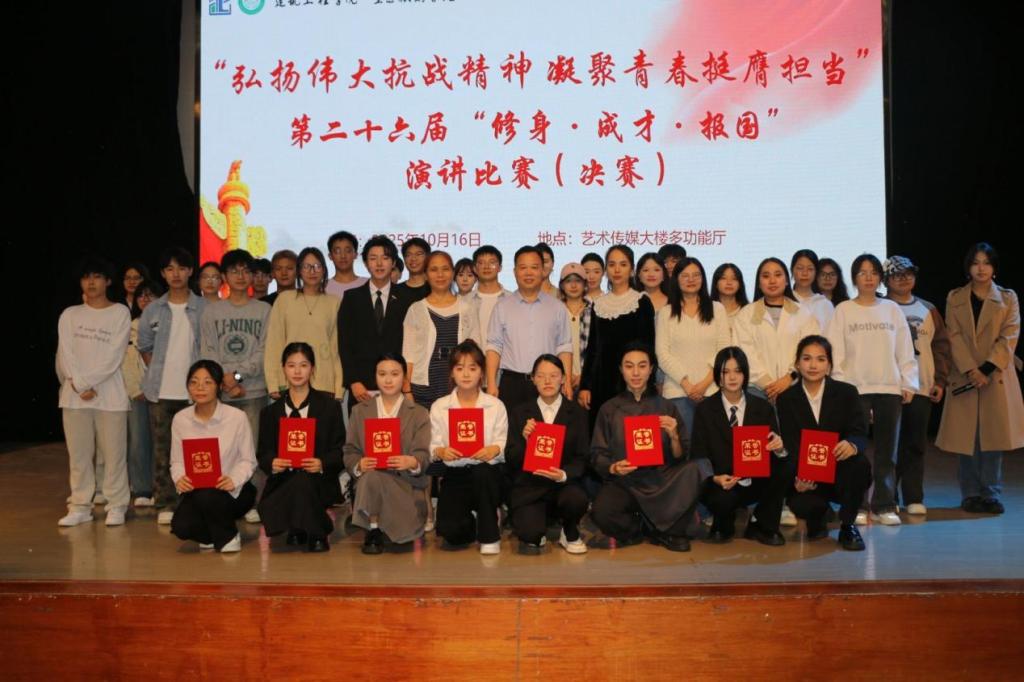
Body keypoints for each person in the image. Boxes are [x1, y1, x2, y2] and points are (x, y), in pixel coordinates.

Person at [589, 342, 707, 552]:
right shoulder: (609, 409)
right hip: (626, 482)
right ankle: (648, 529)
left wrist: (674, 436)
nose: (636, 373)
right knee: (602, 512)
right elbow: (597, 454)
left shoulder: (666, 406)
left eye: (642, 366)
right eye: (629, 366)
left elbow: (681, 457)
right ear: (621, 370)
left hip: (662, 479)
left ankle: (667, 530)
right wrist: (614, 467)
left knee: (696, 469)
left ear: (651, 369)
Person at [827, 253, 917, 526]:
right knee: (855, 451)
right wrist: (840, 386)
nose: (868, 277)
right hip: (855, 390)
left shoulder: (891, 309)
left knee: (887, 452)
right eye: (862, 272)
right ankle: (857, 505)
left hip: (889, 388)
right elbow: (835, 351)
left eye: (873, 272)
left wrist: (908, 381)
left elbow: (904, 348)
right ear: (854, 278)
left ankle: (884, 504)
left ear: (880, 278)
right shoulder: (843, 310)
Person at [936, 242, 1024, 514]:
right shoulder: (955, 297)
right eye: (976, 263)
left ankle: (991, 494)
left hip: (995, 375)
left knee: (993, 439)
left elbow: (1009, 335)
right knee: (967, 439)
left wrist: (986, 369)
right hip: (965, 375)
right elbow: (953, 334)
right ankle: (971, 494)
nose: (981, 268)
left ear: (994, 267)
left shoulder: (1008, 298)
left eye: (986, 262)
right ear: (968, 267)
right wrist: (971, 370)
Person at [56, 255, 132, 527]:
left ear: (108, 281)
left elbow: (114, 356)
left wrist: (87, 383)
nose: (91, 282)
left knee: (114, 456)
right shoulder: (70, 314)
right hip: (74, 397)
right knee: (79, 456)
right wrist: (79, 384)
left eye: (97, 277)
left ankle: (116, 504)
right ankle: (80, 505)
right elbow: (65, 353)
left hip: (109, 397)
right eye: (86, 277)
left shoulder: (120, 313)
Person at [777, 336, 871, 551]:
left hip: (840, 470)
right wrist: (798, 478)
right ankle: (819, 514)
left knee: (860, 464)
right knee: (802, 505)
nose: (813, 365)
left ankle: (848, 526)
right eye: (807, 358)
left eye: (820, 359)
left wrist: (851, 444)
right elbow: (790, 443)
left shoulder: (847, 393)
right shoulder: (786, 399)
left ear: (829, 365)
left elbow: (859, 432)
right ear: (797, 363)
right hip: (808, 477)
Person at [692, 347, 794, 545]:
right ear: (718, 376)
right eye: (725, 371)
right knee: (721, 500)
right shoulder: (705, 409)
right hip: (722, 482)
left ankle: (762, 524)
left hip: (755, 480)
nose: (732, 377)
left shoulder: (763, 407)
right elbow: (698, 453)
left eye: (738, 371)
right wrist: (715, 478)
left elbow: (776, 448)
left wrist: (779, 448)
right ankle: (723, 523)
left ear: (745, 374)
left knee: (785, 464)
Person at [137, 247, 207, 525]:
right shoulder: (153, 309)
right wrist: (159, 370)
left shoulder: (204, 307)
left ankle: (197, 501)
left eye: (181, 268)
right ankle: (166, 502)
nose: (175, 274)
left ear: (190, 271)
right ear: (163, 274)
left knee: (198, 450)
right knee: (163, 451)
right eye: (169, 269)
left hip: (197, 394)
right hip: (162, 393)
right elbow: (144, 346)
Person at [257, 343, 346, 552]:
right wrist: (273, 462)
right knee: (295, 482)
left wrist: (321, 463)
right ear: (283, 368)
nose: (297, 371)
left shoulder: (329, 407)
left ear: (312, 368)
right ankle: (305, 525)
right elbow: (263, 453)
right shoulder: (270, 412)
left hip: (319, 479)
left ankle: (314, 531)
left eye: (303, 365)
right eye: (291, 365)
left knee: (303, 481)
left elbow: (340, 449)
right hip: (283, 478)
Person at [884, 255, 952, 515]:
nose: (904, 279)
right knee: (889, 446)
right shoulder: (881, 308)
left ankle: (913, 497)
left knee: (915, 444)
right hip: (889, 388)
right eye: (897, 275)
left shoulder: (928, 309)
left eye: (909, 274)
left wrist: (940, 380)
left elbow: (941, 347)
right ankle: (887, 497)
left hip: (922, 386)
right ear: (887, 280)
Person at [343, 354, 431, 553]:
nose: (388, 380)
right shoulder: (360, 411)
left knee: (375, 480)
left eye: (394, 374)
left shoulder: (419, 413)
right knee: (372, 476)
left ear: (405, 378)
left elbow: (424, 456)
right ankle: (373, 529)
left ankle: (380, 525)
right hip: (371, 482)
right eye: (382, 374)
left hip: (405, 486)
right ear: (375, 377)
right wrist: (359, 464)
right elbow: (350, 451)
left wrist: (412, 462)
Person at [505, 355, 590, 555]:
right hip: (531, 487)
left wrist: (563, 474)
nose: (547, 381)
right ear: (533, 379)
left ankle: (569, 530)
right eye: (541, 376)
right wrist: (526, 441)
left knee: (576, 498)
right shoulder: (520, 412)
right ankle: (538, 526)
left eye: (553, 375)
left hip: (564, 487)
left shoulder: (577, 413)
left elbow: (583, 457)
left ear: (563, 379)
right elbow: (511, 457)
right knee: (530, 536)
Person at [170, 360, 257, 552]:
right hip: (198, 490)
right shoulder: (180, 419)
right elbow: (176, 461)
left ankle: (229, 536)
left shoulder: (236, 417)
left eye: (207, 382)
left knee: (209, 496)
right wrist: (180, 478)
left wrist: (233, 479)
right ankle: (213, 534)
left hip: (233, 491)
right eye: (194, 382)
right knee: (181, 526)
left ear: (218, 386)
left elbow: (248, 460)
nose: (200, 387)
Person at [429, 340, 508, 554]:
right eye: (459, 368)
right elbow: (433, 445)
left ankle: (490, 535)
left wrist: (494, 450)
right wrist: (441, 451)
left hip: (488, 473)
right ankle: (476, 517)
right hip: (456, 474)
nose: (466, 374)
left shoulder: (495, 406)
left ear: (481, 373)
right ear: (451, 372)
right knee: (451, 533)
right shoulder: (439, 406)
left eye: (473, 368)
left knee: (483, 472)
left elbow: (503, 442)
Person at [486, 246, 573, 407]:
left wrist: (566, 380)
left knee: (547, 425)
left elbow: (564, 346)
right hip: (512, 383)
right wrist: (491, 382)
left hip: (548, 383)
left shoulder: (557, 307)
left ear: (543, 271)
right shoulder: (502, 307)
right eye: (523, 267)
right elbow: (494, 346)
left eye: (534, 267)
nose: (528, 273)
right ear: (514, 272)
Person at [338, 235, 416, 413]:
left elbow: (411, 345)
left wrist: (405, 383)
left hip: (397, 385)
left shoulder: (407, 299)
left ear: (393, 262)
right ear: (366, 263)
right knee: (363, 431)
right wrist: (353, 381)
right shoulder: (352, 298)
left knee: (396, 431)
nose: (379, 264)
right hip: (361, 388)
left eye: (385, 258)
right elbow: (344, 343)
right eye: (373, 258)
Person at [578, 245, 656, 426]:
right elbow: (593, 349)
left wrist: (647, 383)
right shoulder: (599, 304)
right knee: (603, 433)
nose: (617, 270)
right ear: (606, 270)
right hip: (601, 382)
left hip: (634, 381)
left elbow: (649, 347)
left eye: (623, 264)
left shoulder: (641, 301)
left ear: (632, 270)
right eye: (612, 265)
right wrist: (585, 386)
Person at [200, 249, 271, 440]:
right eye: (234, 271)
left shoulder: (264, 310)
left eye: (246, 271)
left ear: (252, 275)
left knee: (251, 450)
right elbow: (208, 352)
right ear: (224, 276)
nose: (241, 276)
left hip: (253, 392)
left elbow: (264, 351)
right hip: (221, 392)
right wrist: (225, 381)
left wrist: (237, 377)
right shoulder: (211, 312)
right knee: (222, 450)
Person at [656, 257, 731, 435]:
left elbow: (724, 350)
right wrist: (687, 385)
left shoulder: (717, 309)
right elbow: (662, 354)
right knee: (683, 445)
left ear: (703, 278)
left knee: (713, 444)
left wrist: (705, 384)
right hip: (677, 392)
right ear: (676, 279)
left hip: (712, 390)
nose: (691, 279)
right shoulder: (666, 313)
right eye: (685, 275)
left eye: (696, 275)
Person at [733, 257, 820, 402]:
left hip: (795, 387)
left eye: (778, 275)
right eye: (766, 276)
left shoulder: (803, 313)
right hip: (756, 391)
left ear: (786, 281)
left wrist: (789, 378)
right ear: (759, 283)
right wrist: (769, 385)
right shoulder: (746, 314)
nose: (772, 281)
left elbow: (811, 351)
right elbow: (744, 353)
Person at [403, 251, 481, 408]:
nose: (440, 275)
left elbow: (476, 351)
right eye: (434, 269)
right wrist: (406, 390)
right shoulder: (416, 309)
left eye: (445, 269)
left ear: (452, 273)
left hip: (459, 389)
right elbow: (408, 354)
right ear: (425, 275)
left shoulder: (467, 308)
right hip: (422, 390)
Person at [264, 246, 343, 399]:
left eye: (317, 266)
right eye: (306, 266)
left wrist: (339, 387)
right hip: (290, 381)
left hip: (324, 383)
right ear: (299, 270)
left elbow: (336, 349)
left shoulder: (334, 302)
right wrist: (273, 383)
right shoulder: (284, 300)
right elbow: (274, 344)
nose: (312, 271)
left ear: (324, 270)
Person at [123, 277, 162, 508]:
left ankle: (162, 487)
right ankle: (141, 489)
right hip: (138, 392)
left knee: (162, 441)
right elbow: (125, 361)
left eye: (151, 294)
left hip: (163, 391)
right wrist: (136, 388)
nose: (145, 299)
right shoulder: (130, 326)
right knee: (138, 441)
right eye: (141, 295)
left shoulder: (167, 324)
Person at [465, 245, 507, 356]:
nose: (487, 267)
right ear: (475, 268)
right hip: (474, 363)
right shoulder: (464, 301)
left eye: (492, 262)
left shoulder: (511, 300)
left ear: (500, 267)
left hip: (505, 363)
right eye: (481, 263)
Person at [558, 263, 591, 393]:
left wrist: (585, 376)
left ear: (585, 284)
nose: (573, 285)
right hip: (559, 381)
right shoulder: (555, 311)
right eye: (568, 281)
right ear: (562, 285)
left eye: (578, 281)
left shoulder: (595, 311)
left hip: (588, 383)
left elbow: (597, 350)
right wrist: (565, 375)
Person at [790, 249, 835, 331]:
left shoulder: (825, 304)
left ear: (816, 272)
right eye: (800, 268)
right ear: (792, 270)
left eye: (810, 269)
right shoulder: (785, 300)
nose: (805, 273)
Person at [710, 262, 749, 340]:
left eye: (734, 279)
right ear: (716, 283)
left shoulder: (748, 310)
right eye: (723, 278)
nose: (729, 283)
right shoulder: (707, 309)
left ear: (740, 284)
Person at [325, 230, 368, 300]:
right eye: (337, 251)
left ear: (355, 254)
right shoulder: (322, 288)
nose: (343, 256)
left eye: (348, 251)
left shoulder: (368, 284)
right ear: (330, 256)